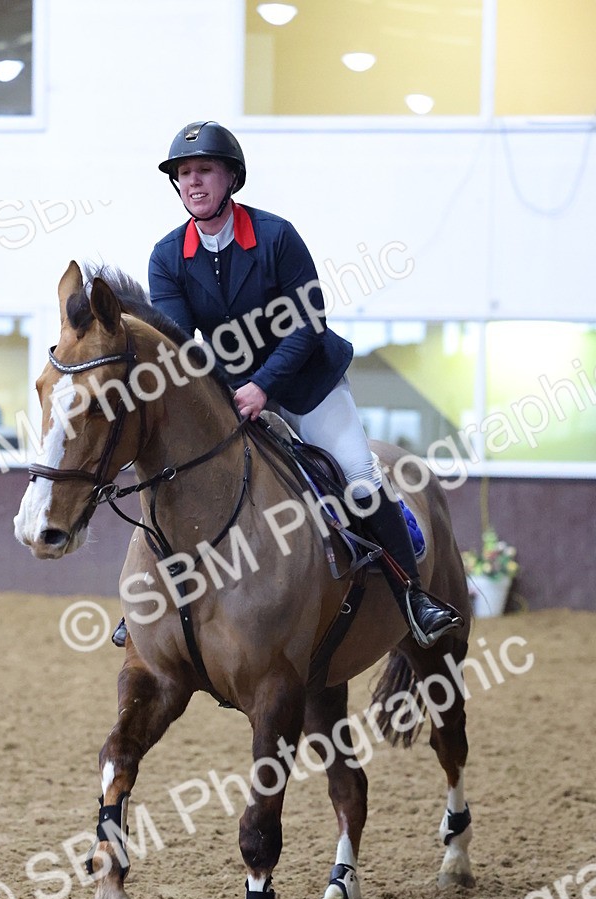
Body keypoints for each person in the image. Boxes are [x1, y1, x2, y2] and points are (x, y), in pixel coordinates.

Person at [113, 120, 461, 650]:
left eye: (204, 170)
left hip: (307, 383)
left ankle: (413, 595)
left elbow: (307, 322)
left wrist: (262, 386)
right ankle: (151, 602)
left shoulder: (275, 236)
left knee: (359, 476)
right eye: (184, 173)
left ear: (231, 177)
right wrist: (223, 394)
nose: (193, 182)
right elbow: (184, 343)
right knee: (180, 476)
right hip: (229, 391)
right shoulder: (168, 256)